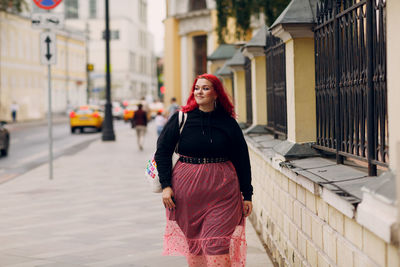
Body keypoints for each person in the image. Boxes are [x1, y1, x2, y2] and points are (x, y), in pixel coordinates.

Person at [155, 74, 253, 267]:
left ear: (216, 93)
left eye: (205, 88)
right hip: (187, 195)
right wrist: (166, 186)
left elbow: (242, 159)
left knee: (217, 245)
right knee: (196, 247)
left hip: (223, 192)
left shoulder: (228, 123)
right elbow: (162, 153)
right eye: (197, 88)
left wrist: (247, 194)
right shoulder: (181, 118)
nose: (199, 91)